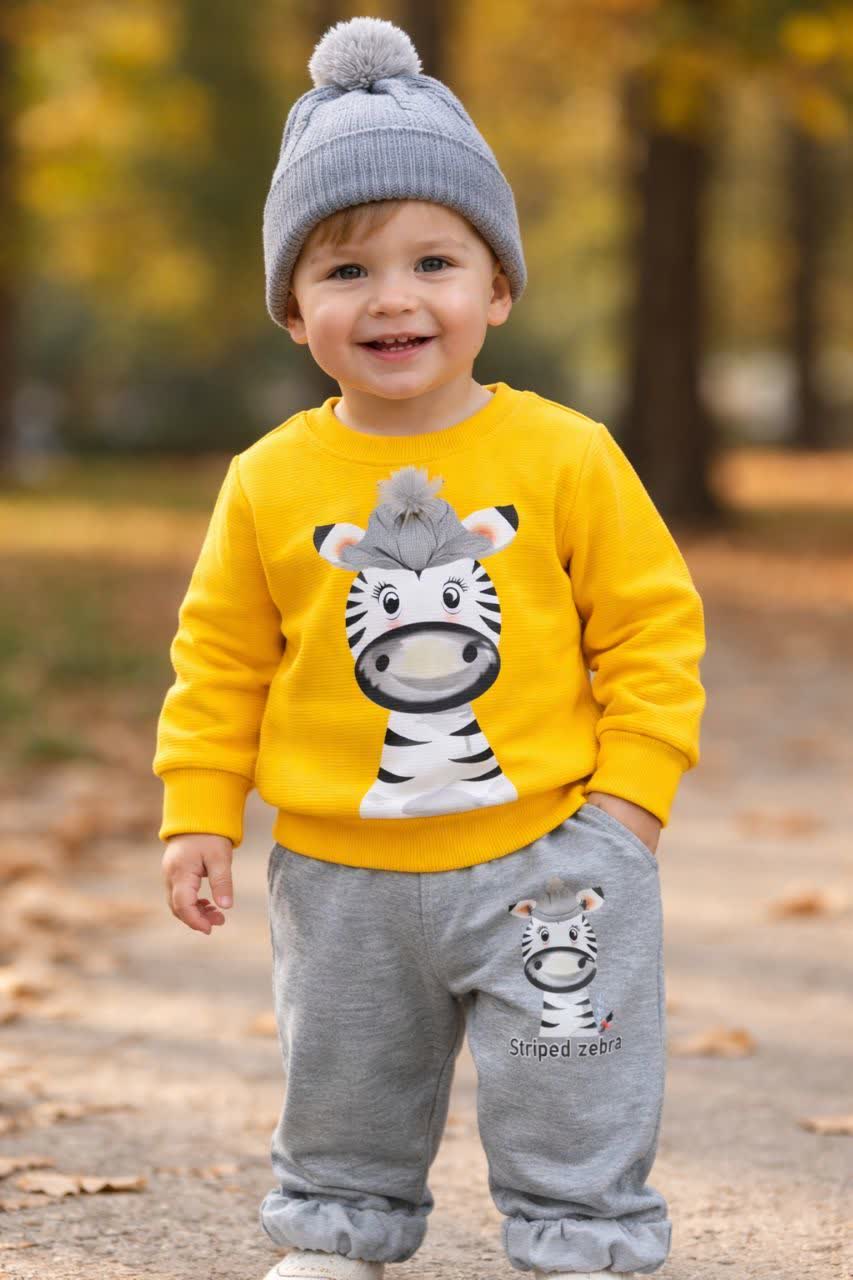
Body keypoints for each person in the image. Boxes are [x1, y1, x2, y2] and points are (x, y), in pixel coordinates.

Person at [153, 16, 706, 1280]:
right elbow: (220, 656)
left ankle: (581, 1234)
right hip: (340, 870)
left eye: (435, 261)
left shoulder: (564, 454)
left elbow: (650, 625)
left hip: (552, 853)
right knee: (345, 1075)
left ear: (496, 288)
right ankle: (340, 1223)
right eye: (345, 269)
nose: (393, 297)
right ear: (293, 308)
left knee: (571, 1073)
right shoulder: (269, 479)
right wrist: (199, 810)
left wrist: (628, 807)